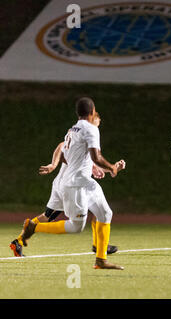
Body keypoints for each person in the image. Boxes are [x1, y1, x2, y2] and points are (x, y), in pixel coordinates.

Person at [18, 97, 126, 269]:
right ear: (92, 112)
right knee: (76, 227)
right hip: (75, 184)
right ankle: (33, 227)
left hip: (86, 182)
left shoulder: (72, 129)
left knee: (105, 213)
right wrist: (112, 168)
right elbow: (95, 157)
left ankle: (101, 260)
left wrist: (97, 168)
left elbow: (76, 156)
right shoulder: (90, 129)